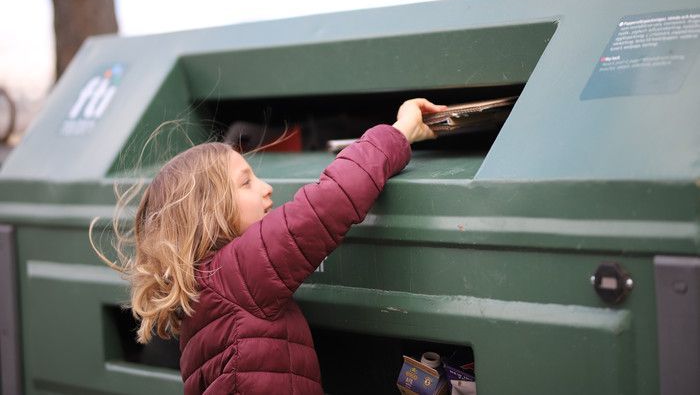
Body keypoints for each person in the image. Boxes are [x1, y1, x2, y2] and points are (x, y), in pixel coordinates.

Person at [91, 98, 446, 394]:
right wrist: (400, 131)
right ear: (210, 211)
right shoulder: (239, 272)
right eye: (246, 181)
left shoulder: (202, 291)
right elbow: (330, 201)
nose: (266, 187)